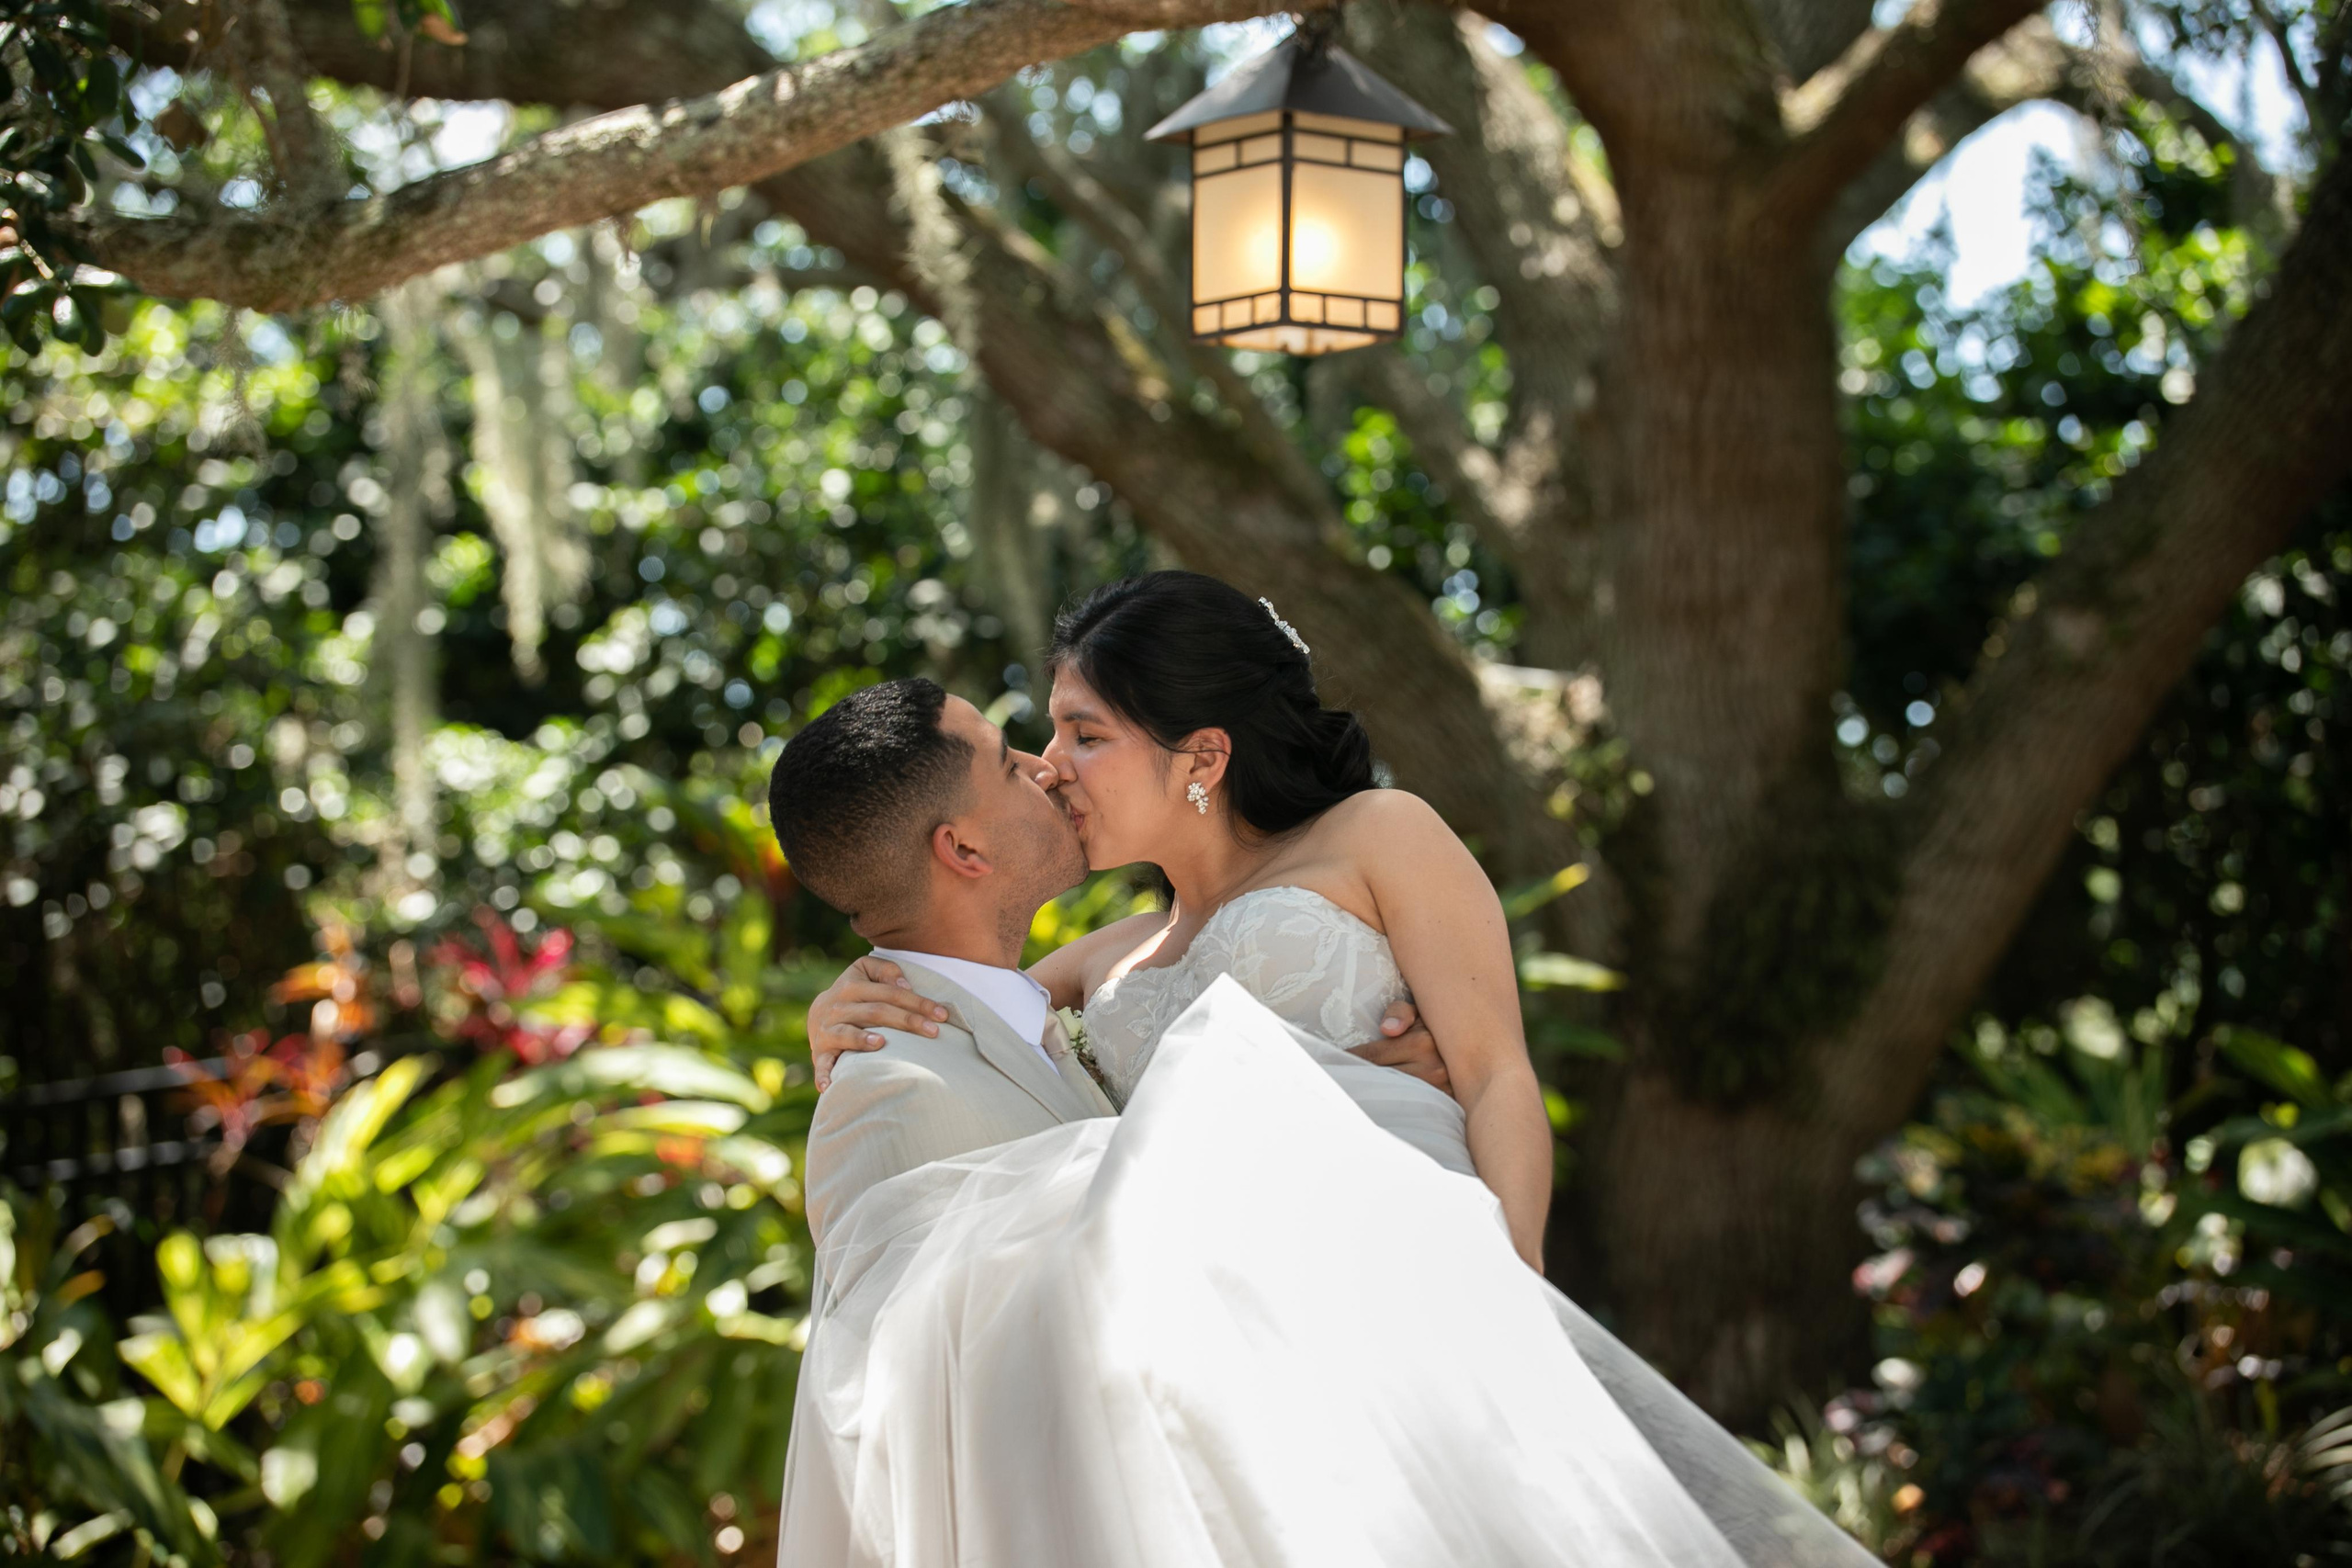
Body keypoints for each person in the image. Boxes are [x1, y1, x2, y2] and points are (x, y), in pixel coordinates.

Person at [773, 572, 1876, 1566]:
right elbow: (971, 993)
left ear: (1201, 756)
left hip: (1425, 1298)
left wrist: (1512, 1283)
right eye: (1042, 739)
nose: (1052, 767)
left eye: (1081, 733)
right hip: (1258, 1388)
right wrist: (846, 995)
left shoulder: (1377, 836)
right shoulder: (1104, 962)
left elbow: (1494, 1075)